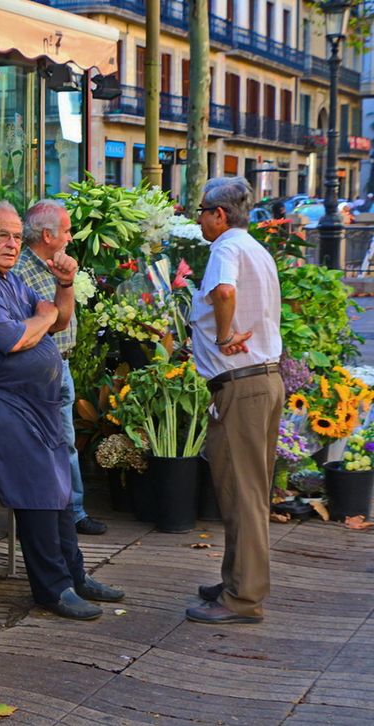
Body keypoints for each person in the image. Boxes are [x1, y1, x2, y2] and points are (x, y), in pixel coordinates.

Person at [0, 201, 124, 621]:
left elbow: (58, 320)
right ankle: (52, 588)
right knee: (38, 494)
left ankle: (74, 576)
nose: (11, 244)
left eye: (15, 236)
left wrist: (62, 288)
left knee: (60, 491)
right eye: (2, 235)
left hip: (36, 402)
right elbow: (11, 340)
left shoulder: (8, 280)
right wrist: (41, 317)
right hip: (2, 401)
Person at [187, 177, 283, 625]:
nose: (200, 218)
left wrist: (223, 336)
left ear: (219, 215)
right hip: (263, 381)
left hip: (242, 385)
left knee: (241, 492)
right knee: (250, 490)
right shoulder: (256, 249)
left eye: (203, 210)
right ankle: (236, 580)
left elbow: (224, 292)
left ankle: (243, 597)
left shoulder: (225, 248)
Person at [14, 200, 107, 536]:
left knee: (65, 442)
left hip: (61, 364)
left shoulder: (56, 264)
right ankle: (69, 513)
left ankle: (70, 511)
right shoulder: (22, 270)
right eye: (66, 230)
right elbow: (49, 323)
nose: (70, 237)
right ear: (48, 234)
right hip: (41, 370)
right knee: (57, 442)